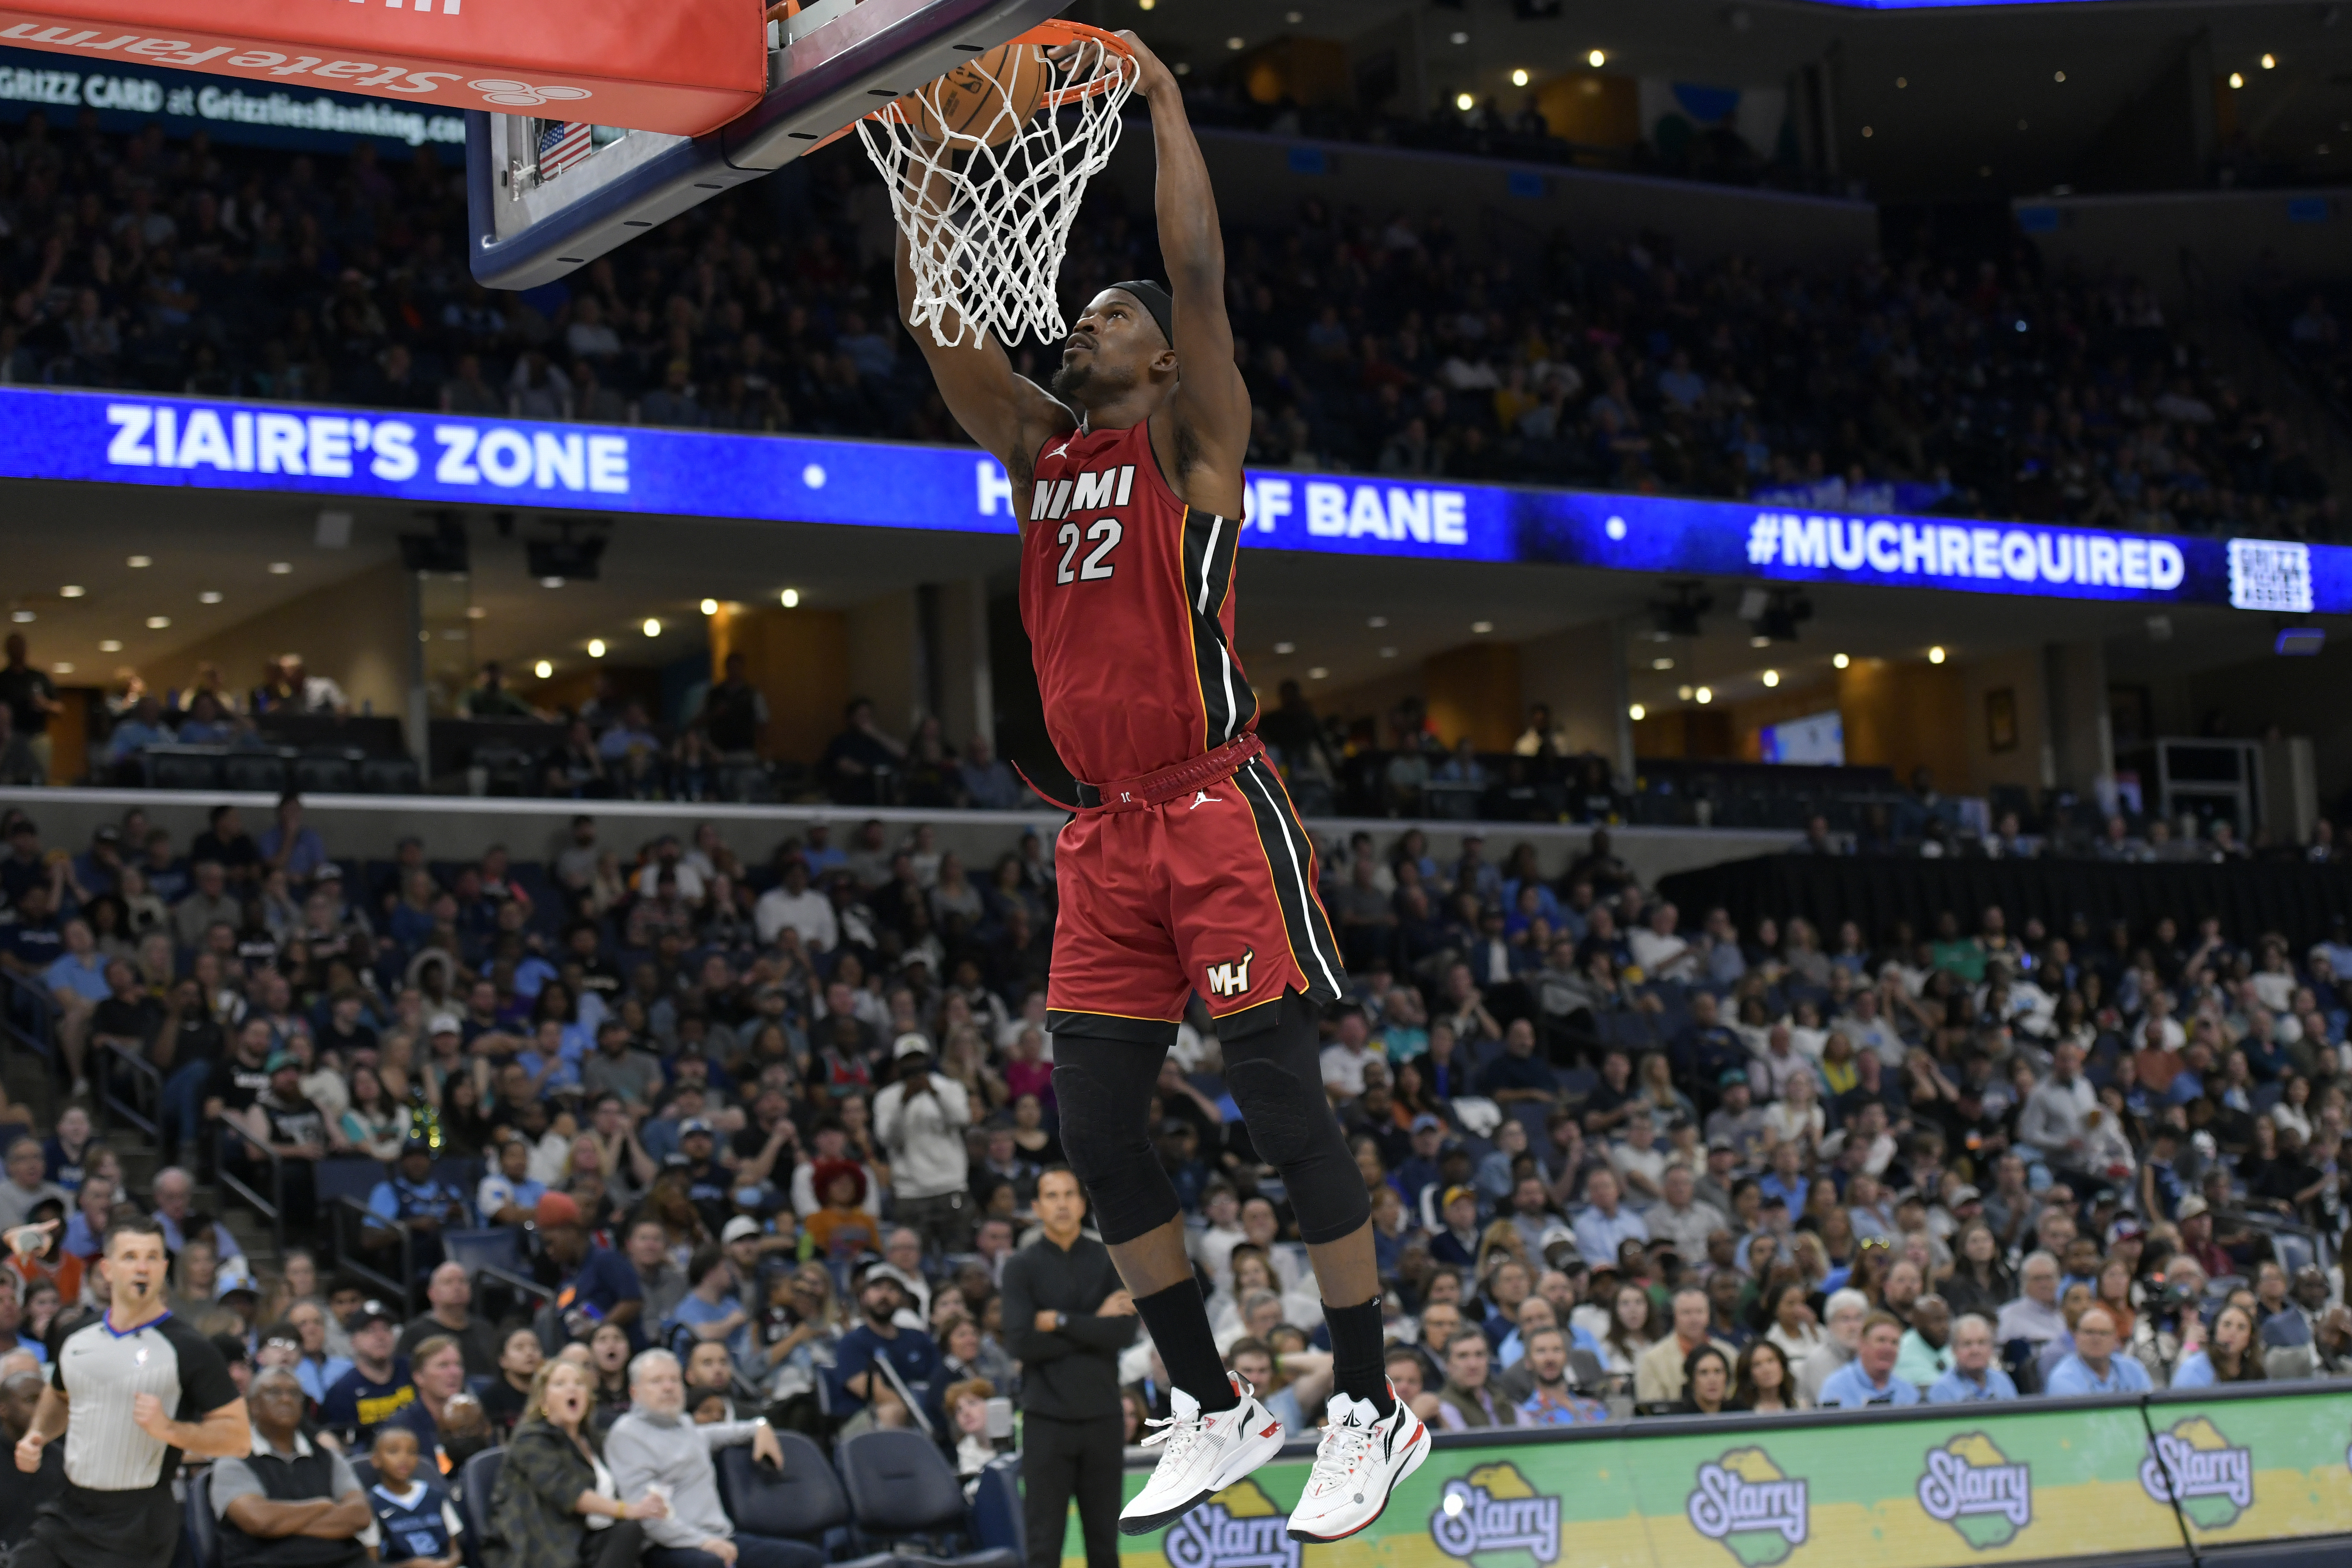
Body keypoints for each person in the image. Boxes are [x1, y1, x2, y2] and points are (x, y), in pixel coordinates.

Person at [900, 25, 1420, 1542]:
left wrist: (1166, 105)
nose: (1085, 322)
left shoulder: (1193, 446)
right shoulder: (1032, 446)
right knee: (1095, 1125)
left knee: (1276, 1107)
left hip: (1208, 806)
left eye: (1107, 315)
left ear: (1162, 360)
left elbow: (1195, 275)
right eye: (1079, 314)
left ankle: (1363, 1400)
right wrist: (923, 164)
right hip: (1100, 836)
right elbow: (941, 327)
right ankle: (1204, 1398)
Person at [12, 1217, 251, 1568]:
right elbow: (61, 1395)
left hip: (139, 1522)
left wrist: (169, 1429)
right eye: (130, 1256)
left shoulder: (190, 1347)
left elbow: (238, 1438)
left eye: (152, 1257)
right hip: (69, 1508)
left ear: (164, 1268)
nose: (142, 1267)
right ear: (107, 1269)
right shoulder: (76, 1335)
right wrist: (37, 1434)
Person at [999, 1169, 1135, 1568]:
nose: (1061, 1203)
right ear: (1037, 1207)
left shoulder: (1109, 1258)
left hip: (1103, 1418)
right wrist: (1094, 1321)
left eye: (1068, 1194)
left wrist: (1059, 1321)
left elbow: (1123, 1332)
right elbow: (1021, 1342)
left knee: (1104, 1545)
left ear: (1081, 1202)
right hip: (1046, 1420)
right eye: (1051, 1195)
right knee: (1043, 1544)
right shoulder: (1020, 1266)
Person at [605, 1348, 800, 1568]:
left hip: (721, 1536)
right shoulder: (627, 1435)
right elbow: (647, 1515)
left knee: (804, 1559)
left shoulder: (685, 1425)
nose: (668, 1387)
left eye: (674, 1380)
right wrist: (703, 1542)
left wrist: (760, 1426)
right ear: (634, 1392)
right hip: (669, 1546)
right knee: (711, 1565)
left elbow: (724, 1432)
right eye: (657, 1381)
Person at [485, 1360, 666, 1568]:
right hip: (542, 1542)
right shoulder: (530, 1438)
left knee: (630, 1531)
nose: (572, 1388)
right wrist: (628, 1509)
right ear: (543, 1398)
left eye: (579, 1383)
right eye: (560, 1383)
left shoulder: (591, 1438)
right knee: (629, 1527)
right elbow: (569, 1492)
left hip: (587, 1538)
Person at [209, 1368, 372, 1568]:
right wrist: (322, 1506)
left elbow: (360, 1516)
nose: (286, 1399)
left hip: (345, 1562)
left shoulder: (328, 1457)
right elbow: (259, 1520)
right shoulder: (234, 1460)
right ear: (253, 1406)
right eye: (274, 1392)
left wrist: (281, 1524)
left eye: (294, 1393)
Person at [365, 1423, 464, 1568]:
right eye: (394, 1452)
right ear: (376, 1460)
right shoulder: (371, 1504)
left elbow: (456, 1551)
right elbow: (371, 1564)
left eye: (412, 1452)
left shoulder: (435, 1496)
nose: (404, 1458)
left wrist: (446, 1564)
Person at [397, 1263, 504, 1379]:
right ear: (432, 1293)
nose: (457, 1287)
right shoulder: (415, 1332)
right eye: (448, 1282)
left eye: (463, 1281)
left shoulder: (485, 1329)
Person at [1816, 1313, 1920, 1408]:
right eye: (1881, 1340)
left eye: (1895, 1343)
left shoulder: (1908, 1391)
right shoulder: (1837, 1387)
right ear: (1862, 1344)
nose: (1888, 1349)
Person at [2043, 1307, 2153, 1397]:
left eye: (2104, 1333)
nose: (2096, 1339)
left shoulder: (2133, 1369)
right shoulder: (2063, 1379)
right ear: (2076, 1337)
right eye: (2089, 1332)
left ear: (2115, 1339)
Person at [2170, 1303, 2266, 1389]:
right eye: (2227, 1325)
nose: (2233, 1333)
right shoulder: (2195, 1368)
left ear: (2250, 1338)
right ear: (2215, 1331)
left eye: (2241, 1327)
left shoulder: (2257, 1371)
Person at [1928, 1314, 2020, 1403]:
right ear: (1954, 1350)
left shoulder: (2002, 1380)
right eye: (1967, 1344)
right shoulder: (1943, 1389)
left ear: (1991, 1348)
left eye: (1982, 1343)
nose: (1975, 1351)